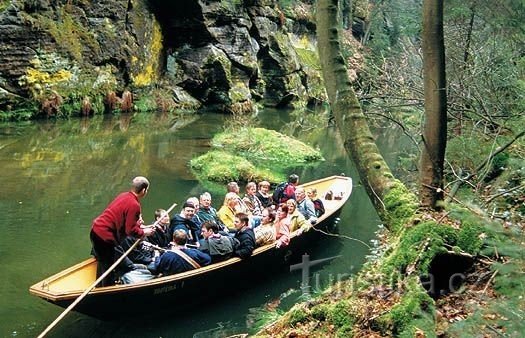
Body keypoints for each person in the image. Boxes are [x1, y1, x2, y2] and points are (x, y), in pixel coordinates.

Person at [90, 176, 156, 286]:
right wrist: (144, 232)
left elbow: (124, 221)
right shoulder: (135, 205)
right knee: (109, 267)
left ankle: (98, 286)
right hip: (105, 237)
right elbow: (130, 230)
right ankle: (106, 292)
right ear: (143, 190)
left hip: (95, 231)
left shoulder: (123, 195)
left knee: (103, 263)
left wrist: (140, 226)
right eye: (147, 190)